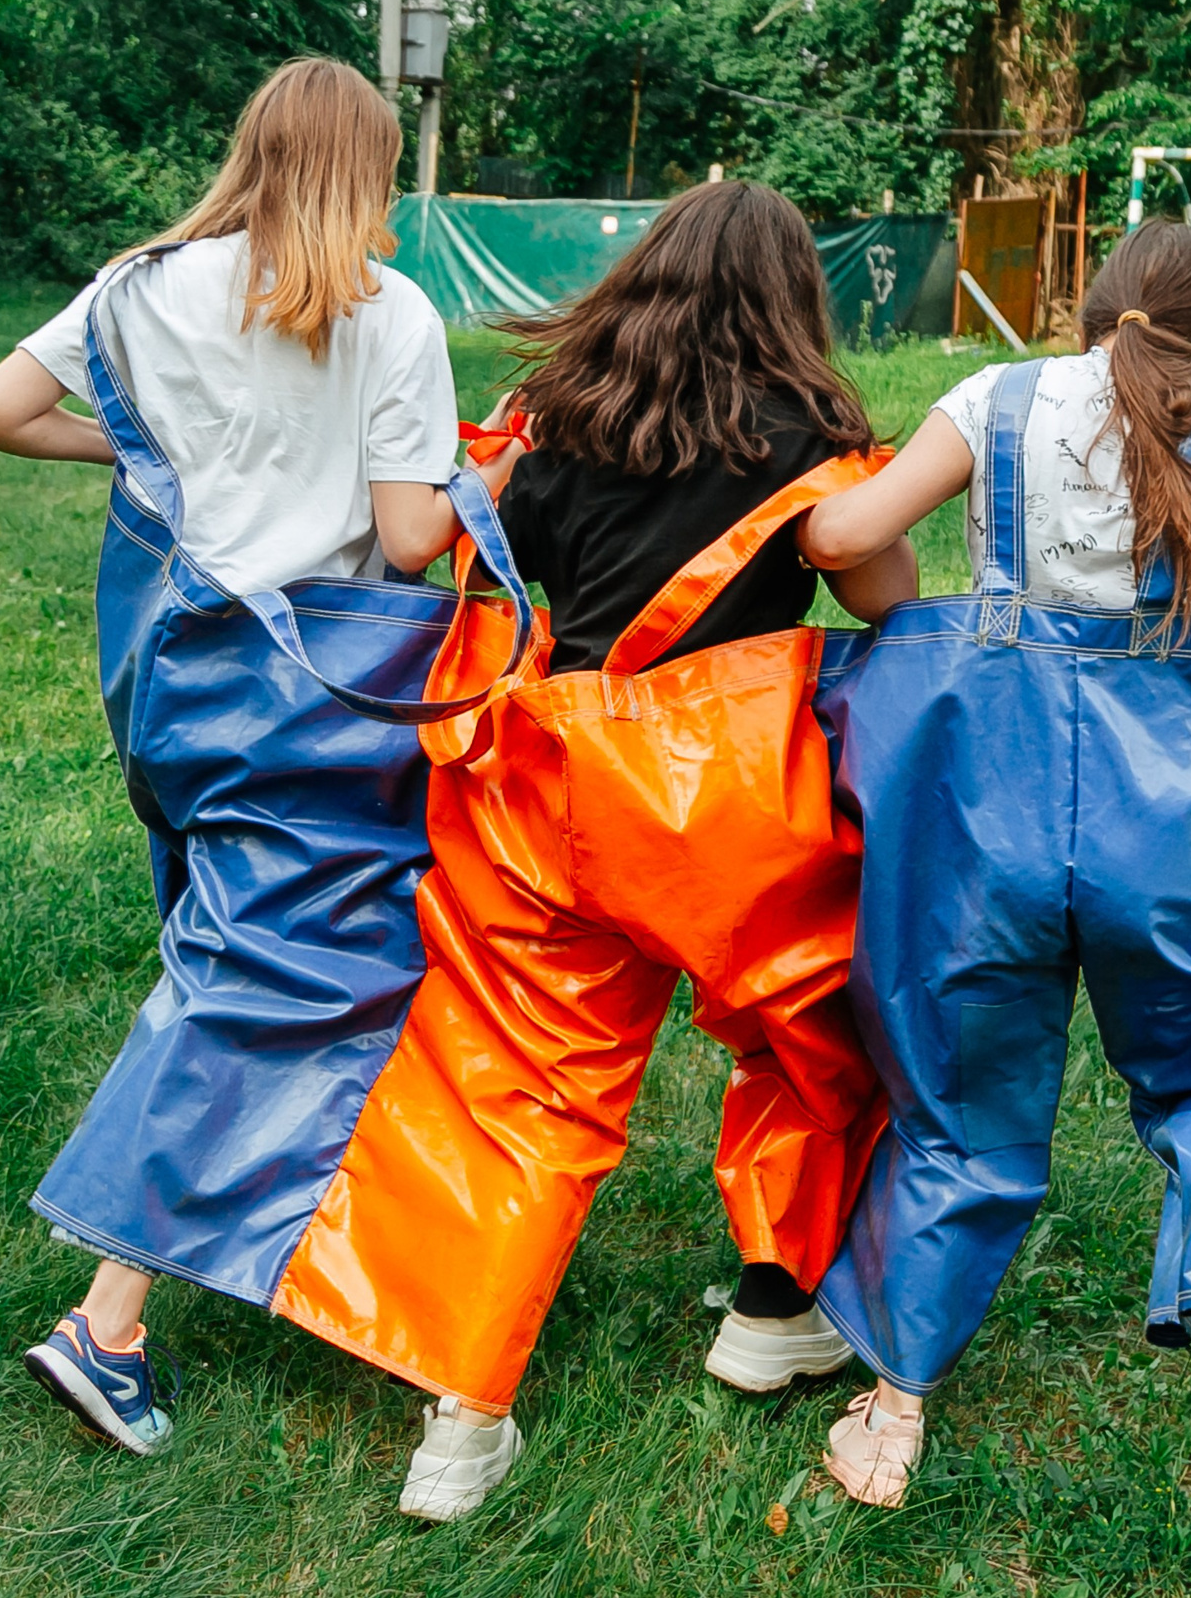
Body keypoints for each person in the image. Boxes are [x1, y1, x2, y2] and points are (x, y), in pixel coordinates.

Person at [253, 180, 918, 1520]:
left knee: (523, 1094)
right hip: (732, 805)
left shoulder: (563, 413)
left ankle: (463, 1420)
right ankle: (774, 1308)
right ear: (792, 297)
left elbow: (448, 538)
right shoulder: (809, 429)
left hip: (544, 792)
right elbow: (886, 595)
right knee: (813, 1039)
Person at [0, 56, 508, 1456]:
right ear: (365, 170)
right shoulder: (393, 316)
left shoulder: (140, 286)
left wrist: (149, 462)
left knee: (224, 942)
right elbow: (402, 540)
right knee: (267, 979)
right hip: (315, 691)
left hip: (172, 669)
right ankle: (110, 1319)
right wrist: (493, 482)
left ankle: (309, 1227)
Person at [794, 220, 1191, 1506]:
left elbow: (842, 539)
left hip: (987, 800)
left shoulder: (994, 399)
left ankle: (893, 1407)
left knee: (959, 1093)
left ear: (1088, 307)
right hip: (1176, 813)